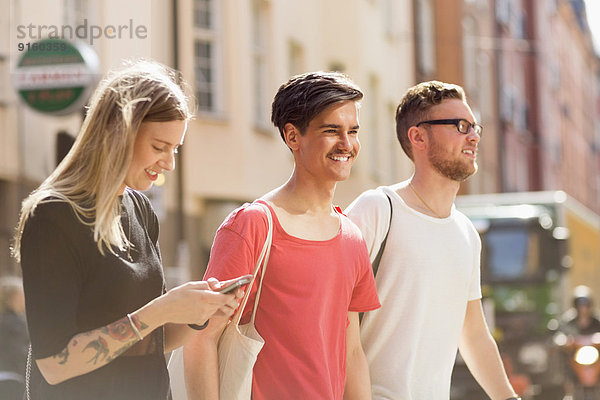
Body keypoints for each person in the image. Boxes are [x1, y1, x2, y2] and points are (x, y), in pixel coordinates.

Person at [12, 60, 245, 400]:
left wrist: (200, 315)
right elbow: (54, 363)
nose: (169, 163)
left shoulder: (140, 209)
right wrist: (161, 309)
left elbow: (151, 339)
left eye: (175, 149)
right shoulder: (52, 216)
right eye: (159, 147)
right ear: (119, 134)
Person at [183, 71, 381, 399]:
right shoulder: (254, 224)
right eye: (332, 131)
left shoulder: (351, 236)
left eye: (353, 131)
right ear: (293, 136)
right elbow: (200, 338)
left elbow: (353, 352)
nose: (346, 144)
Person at [345, 80, 519, 400]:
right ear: (419, 136)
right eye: (460, 125)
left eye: (474, 126)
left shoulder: (466, 233)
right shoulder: (378, 210)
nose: (474, 135)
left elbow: (474, 333)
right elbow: (333, 317)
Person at [0, 276, 28, 399]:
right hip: (12, 378)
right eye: (21, 295)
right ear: (12, 298)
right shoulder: (15, 323)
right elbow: (21, 352)